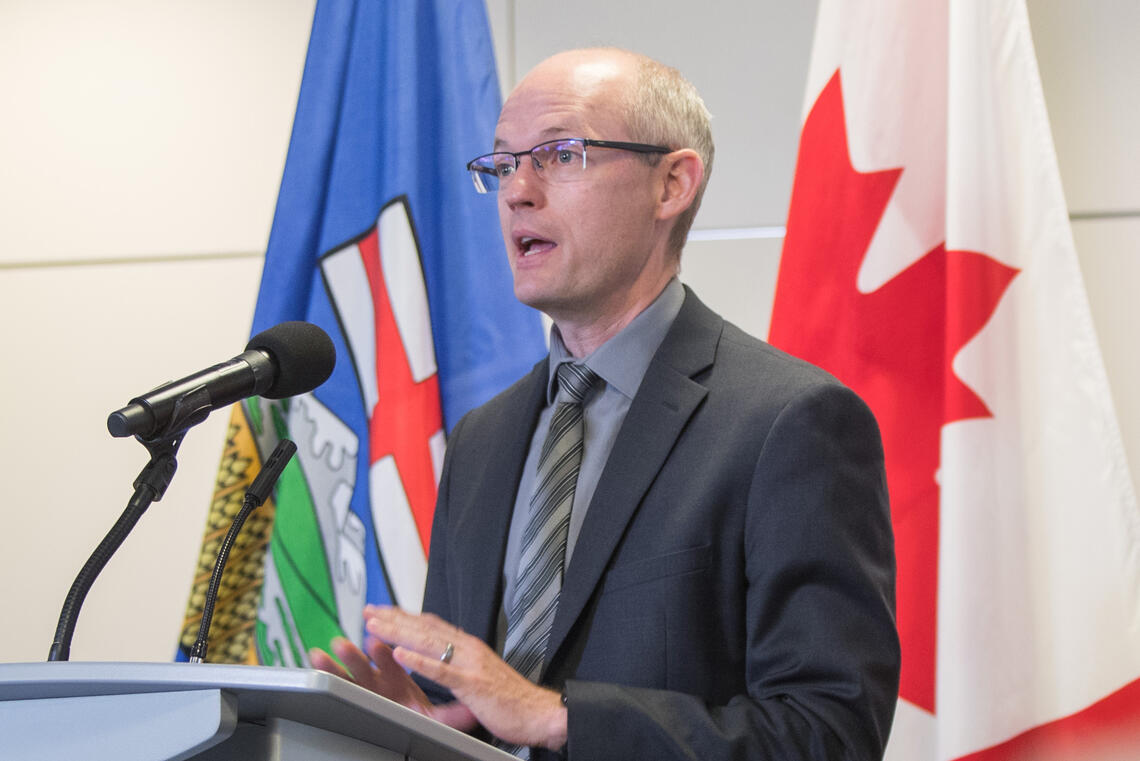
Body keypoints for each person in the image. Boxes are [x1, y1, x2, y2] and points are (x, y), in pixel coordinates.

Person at [310, 47, 900, 760]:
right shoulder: (480, 439)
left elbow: (830, 732)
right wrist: (421, 730)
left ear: (672, 184)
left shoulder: (791, 422)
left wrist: (560, 717)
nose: (518, 191)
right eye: (502, 164)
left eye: (560, 155)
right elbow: (484, 710)